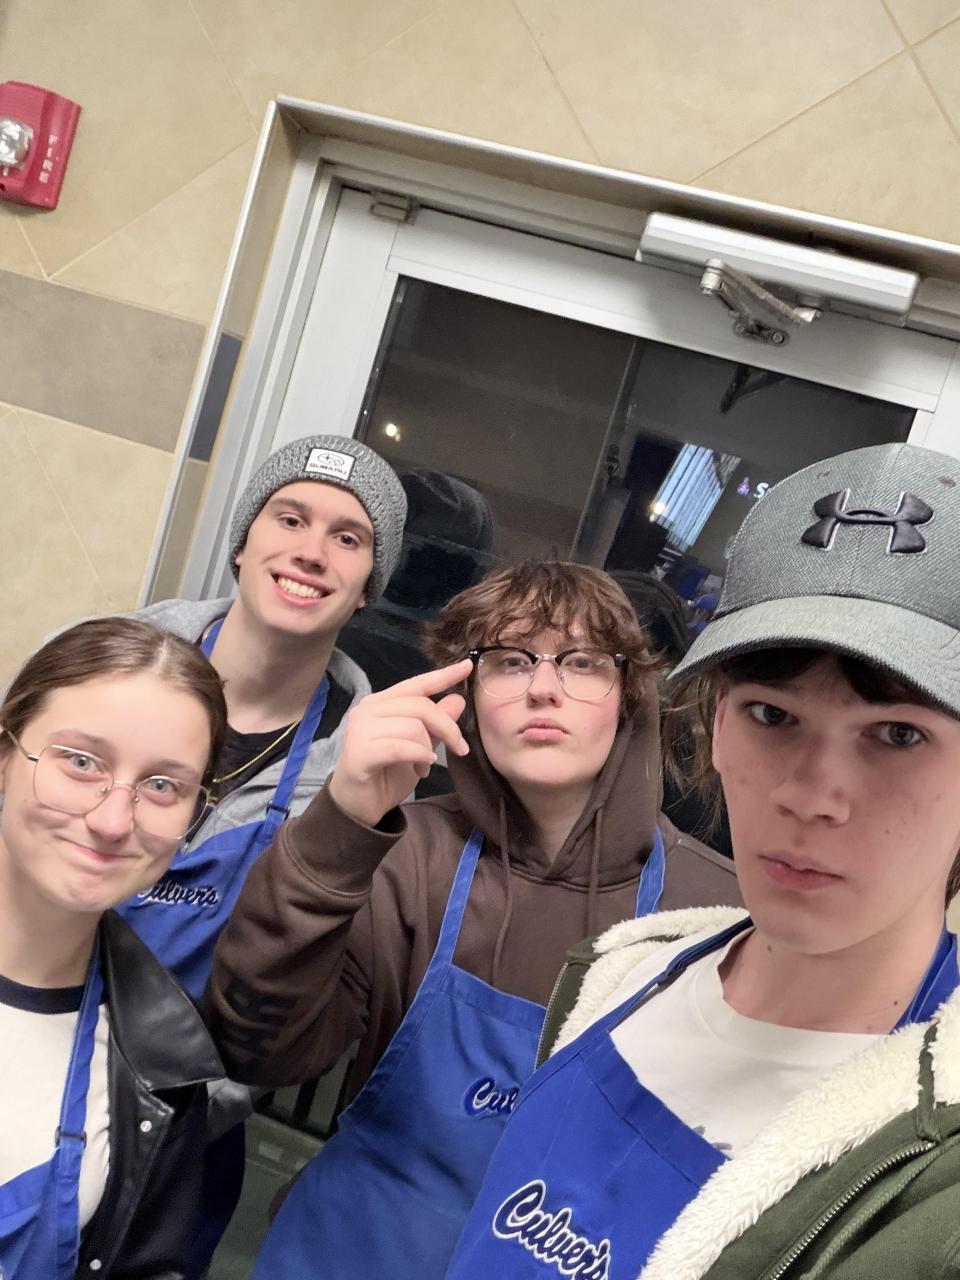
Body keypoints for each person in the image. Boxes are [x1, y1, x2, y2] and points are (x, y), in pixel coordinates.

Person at [446, 441, 960, 1280]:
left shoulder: (938, 1185)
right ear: (716, 726)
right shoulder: (616, 975)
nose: (812, 795)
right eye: (771, 715)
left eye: (898, 734)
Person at [203, 559, 741, 1280]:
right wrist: (339, 824)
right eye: (510, 661)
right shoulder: (403, 855)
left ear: (629, 696)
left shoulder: (712, 914)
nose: (543, 687)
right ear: (464, 695)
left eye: (582, 662)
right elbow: (256, 1052)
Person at [114, 433, 406, 1274]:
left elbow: (299, 999)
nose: (311, 552)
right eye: (290, 517)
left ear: (366, 588)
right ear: (243, 542)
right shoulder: (103, 670)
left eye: (348, 538)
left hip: (173, 1151)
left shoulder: (355, 782)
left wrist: (189, 1108)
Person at [0, 617, 226, 1279]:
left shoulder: (163, 1068)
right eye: (81, 761)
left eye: (162, 786)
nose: (111, 820)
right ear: (6, 755)